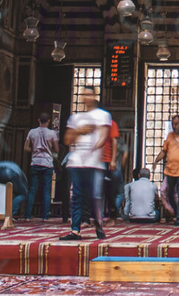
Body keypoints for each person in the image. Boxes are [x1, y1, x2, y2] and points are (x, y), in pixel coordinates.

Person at [60, 88, 111, 241]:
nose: (86, 97)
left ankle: (98, 223)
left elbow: (103, 136)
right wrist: (79, 131)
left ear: (94, 96)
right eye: (84, 94)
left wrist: (93, 149)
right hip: (76, 161)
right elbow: (67, 140)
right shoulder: (76, 118)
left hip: (93, 163)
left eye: (89, 94)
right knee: (76, 196)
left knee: (94, 196)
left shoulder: (102, 115)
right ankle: (75, 230)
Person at [24, 113, 59, 220]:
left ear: (38, 120)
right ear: (48, 121)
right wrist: (49, 150)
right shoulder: (52, 133)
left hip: (35, 162)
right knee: (46, 190)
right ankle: (45, 216)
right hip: (47, 163)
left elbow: (26, 148)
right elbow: (57, 149)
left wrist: (34, 151)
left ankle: (27, 216)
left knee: (32, 190)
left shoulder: (32, 132)